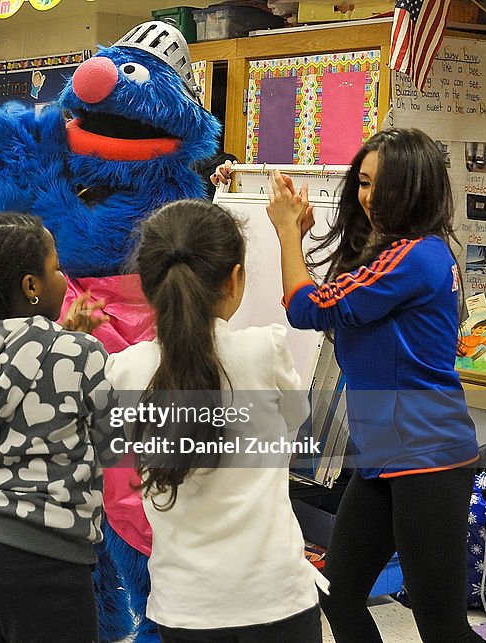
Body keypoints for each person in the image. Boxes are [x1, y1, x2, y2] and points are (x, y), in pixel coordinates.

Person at [266, 127, 482, 643]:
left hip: (427, 457)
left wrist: (288, 235)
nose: (368, 198)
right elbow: (339, 296)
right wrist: (300, 232)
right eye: (362, 184)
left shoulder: (415, 258)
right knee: (338, 597)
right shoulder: (405, 255)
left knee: (441, 625)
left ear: (414, 189)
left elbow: (308, 307)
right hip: (383, 456)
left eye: (381, 187)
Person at [104, 200, 324, 643]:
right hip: (275, 597)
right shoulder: (265, 350)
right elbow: (295, 421)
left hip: (184, 606)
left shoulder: (124, 370)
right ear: (235, 279)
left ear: (147, 286)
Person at [0, 214, 114, 641]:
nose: (64, 276)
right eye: (56, 268)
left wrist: (65, 338)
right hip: (45, 555)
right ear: (31, 287)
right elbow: (115, 444)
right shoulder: (80, 352)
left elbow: (23, 363)